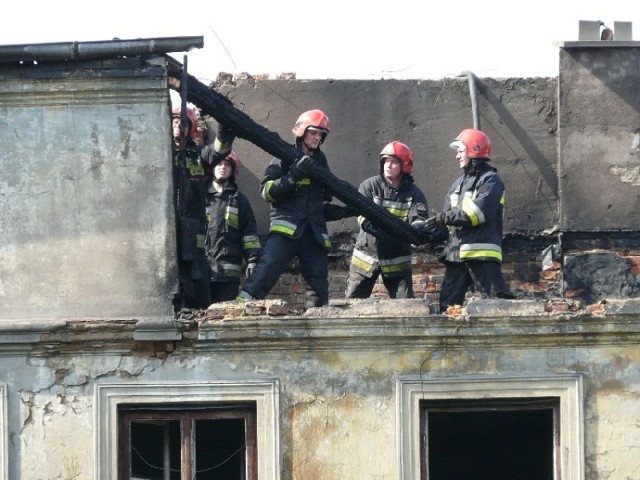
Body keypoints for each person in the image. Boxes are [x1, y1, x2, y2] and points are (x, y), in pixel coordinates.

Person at [236, 109, 334, 309]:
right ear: (302, 131)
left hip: (313, 233)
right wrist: (293, 176)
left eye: (320, 134)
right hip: (286, 230)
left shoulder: (321, 162)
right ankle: (241, 308)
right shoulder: (283, 156)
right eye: (313, 132)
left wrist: (344, 211)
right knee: (266, 270)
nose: (317, 137)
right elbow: (267, 192)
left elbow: (319, 204)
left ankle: (316, 324)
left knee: (318, 285)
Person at [435, 128, 512, 312]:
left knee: (497, 305)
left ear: (473, 151)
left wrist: (446, 217)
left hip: (482, 255)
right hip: (457, 256)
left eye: (460, 151)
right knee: (447, 309)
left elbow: (478, 213)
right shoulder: (457, 185)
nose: (457, 157)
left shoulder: (491, 181)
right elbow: (447, 217)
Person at [345, 141, 429, 299]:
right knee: (353, 305)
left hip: (397, 259)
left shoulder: (414, 194)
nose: (388, 165)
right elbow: (364, 220)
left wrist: (419, 235)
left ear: (405, 166)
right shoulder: (369, 186)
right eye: (386, 161)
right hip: (366, 257)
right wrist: (392, 233)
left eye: (394, 161)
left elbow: (418, 224)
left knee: (405, 308)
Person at [201, 149, 262, 302]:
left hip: (228, 275)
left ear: (232, 170)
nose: (222, 167)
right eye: (219, 164)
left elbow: (249, 233)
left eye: (227, 165)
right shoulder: (200, 197)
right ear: (212, 168)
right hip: (202, 272)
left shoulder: (239, 200)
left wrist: (252, 260)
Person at [172, 105, 210, 309]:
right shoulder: (161, 153)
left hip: (194, 224)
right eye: (175, 122)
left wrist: (225, 133)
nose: (179, 127)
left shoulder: (197, 156)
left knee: (198, 271)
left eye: (183, 123)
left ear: (191, 128)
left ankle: (199, 311)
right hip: (169, 225)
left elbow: (217, 153)